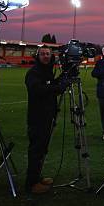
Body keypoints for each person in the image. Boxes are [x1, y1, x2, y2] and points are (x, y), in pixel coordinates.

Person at [24, 47, 67, 194]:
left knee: (42, 149)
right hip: (37, 117)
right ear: (38, 56)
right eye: (42, 54)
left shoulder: (46, 71)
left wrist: (64, 78)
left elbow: (51, 84)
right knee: (36, 150)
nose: (46, 56)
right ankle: (31, 184)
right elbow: (37, 89)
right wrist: (57, 88)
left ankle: (38, 177)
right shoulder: (34, 73)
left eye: (48, 54)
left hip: (48, 115)